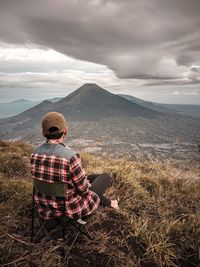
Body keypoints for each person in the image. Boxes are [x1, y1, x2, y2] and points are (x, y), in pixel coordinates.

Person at [30, 112, 119, 221]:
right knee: (105, 177)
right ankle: (111, 203)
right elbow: (84, 190)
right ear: (65, 131)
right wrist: (86, 183)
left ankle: (110, 202)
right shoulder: (70, 157)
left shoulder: (34, 153)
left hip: (44, 208)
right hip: (68, 209)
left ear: (43, 133)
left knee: (90, 177)